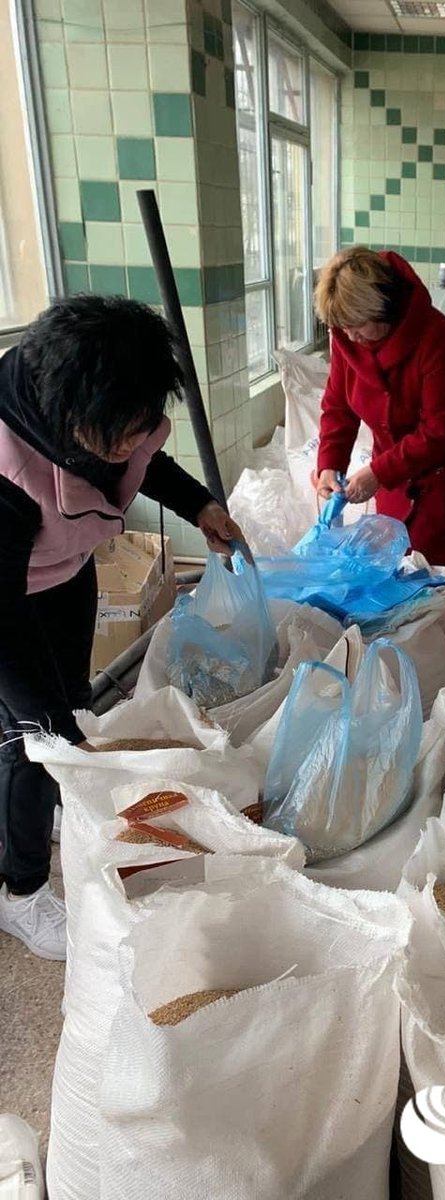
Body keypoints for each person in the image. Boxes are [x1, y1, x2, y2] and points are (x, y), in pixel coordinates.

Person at [0, 295, 245, 960]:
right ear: (67, 413)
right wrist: (52, 724)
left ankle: (58, 810)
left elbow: (138, 462)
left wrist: (200, 506)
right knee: (35, 741)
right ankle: (19, 893)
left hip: (61, 570)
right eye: (118, 433)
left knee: (74, 706)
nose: (130, 445)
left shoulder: (101, 414)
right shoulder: (7, 458)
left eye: (141, 426)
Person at [312, 247, 445, 585]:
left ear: (383, 309)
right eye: (342, 328)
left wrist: (378, 472)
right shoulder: (348, 340)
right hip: (394, 477)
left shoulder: (437, 340)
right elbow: (338, 406)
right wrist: (329, 463)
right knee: (391, 570)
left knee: (429, 581)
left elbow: (439, 430)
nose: (350, 337)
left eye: (356, 326)